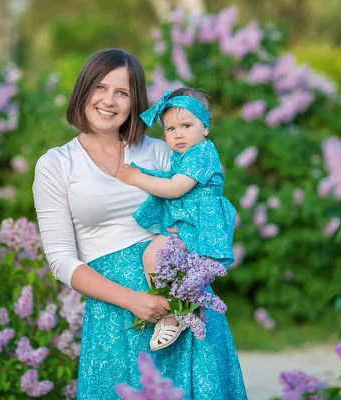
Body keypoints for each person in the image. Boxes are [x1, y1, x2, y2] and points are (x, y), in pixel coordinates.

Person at [33, 48, 247, 399]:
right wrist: (133, 300)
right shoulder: (56, 164)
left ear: (136, 102)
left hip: (180, 306)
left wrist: (188, 273)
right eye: (100, 88)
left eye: (123, 92)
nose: (109, 101)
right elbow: (59, 259)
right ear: (84, 90)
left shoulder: (162, 153)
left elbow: (205, 209)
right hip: (115, 310)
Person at [115, 88, 236, 351]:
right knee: (161, 260)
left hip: (200, 224)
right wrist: (143, 172)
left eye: (186, 125)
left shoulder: (202, 153)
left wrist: (137, 178)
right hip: (186, 222)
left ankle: (172, 314)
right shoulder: (184, 155)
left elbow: (175, 188)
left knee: (154, 256)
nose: (178, 134)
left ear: (204, 128)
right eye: (170, 129)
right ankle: (178, 305)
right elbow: (169, 179)